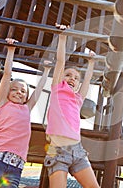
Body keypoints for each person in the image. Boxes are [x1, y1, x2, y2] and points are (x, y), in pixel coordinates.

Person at [0, 38, 51, 188]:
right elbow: (7, 75)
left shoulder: (27, 108)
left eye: (23, 91)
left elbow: (39, 90)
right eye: (14, 89)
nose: (18, 93)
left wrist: (46, 71)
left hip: (15, 167)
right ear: (7, 92)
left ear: (27, 97)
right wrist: (11, 51)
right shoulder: (2, 104)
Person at [44, 23, 100, 188]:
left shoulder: (78, 99)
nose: (72, 79)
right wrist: (62, 37)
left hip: (77, 150)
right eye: (68, 75)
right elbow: (60, 62)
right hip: (58, 151)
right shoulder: (57, 89)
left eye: (76, 78)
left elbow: (87, 80)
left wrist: (91, 63)